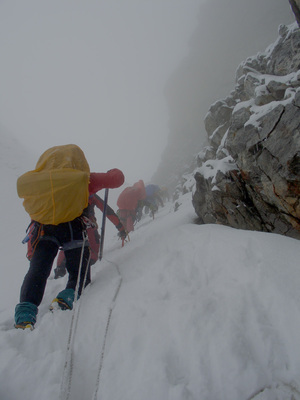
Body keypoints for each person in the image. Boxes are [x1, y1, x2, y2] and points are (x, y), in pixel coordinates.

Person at [14, 144, 124, 330]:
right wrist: (110, 172)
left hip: (44, 231)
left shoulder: (37, 183)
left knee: (38, 271)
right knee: (79, 271)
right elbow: (117, 179)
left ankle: (25, 312)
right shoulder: (83, 180)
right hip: (72, 230)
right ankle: (67, 296)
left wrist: (31, 249)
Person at [54, 193, 127, 279]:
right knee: (92, 254)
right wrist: (120, 228)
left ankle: (61, 270)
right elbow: (107, 211)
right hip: (88, 226)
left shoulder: (66, 191)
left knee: (69, 244)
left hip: (70, 229)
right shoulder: (90, 193)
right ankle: (84, 272)